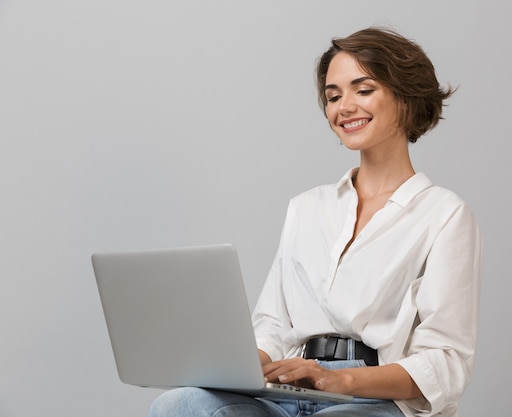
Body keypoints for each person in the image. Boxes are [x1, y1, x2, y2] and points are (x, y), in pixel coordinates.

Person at [149, 27, 482, 417]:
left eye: (363, 89)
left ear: (405, 96)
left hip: (376, 397)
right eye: (333, 96)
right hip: (289, 387)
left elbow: (445, 362)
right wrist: (240, 365)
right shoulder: (306, 208)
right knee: (180, 404)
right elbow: (273, 323)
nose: (344, 107)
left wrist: (338, 379)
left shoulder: (444, 214)